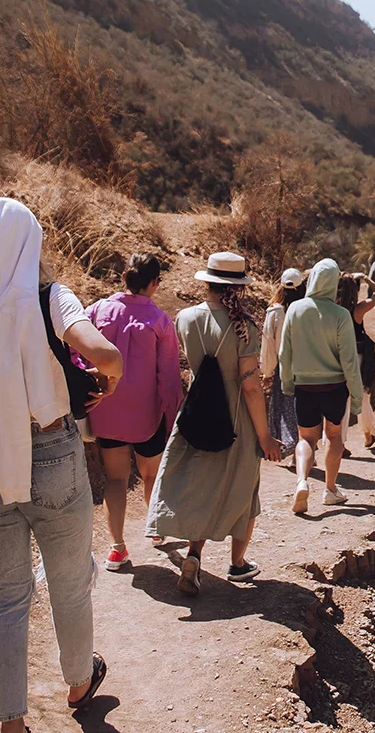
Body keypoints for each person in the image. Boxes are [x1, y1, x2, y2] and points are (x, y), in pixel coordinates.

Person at [0, 197, 123, 733]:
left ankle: (11, 723)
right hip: (50, 452)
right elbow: (105, 355)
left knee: (5, 596)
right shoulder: (48, 296)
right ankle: (78, 682)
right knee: (69, 581)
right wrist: (110, 380)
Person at [147, 251, 281, 596]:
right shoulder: (244, 327)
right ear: (238, 288)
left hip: (198, 411)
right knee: (244, 488)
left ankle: (194, 554)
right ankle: (238, 563)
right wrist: (265, 436)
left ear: (207, 283)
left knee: (201, 486)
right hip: (235, 418)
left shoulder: (185, 318)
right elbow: (250, 387)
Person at [84, 253, 182, 572]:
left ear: (125, 278)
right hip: (147, 416)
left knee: (115, 479)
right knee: (150, 475)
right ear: (154, 283)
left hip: (105, 410)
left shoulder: (97, 310)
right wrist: (172, 416)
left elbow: (74, 346)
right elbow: (168, 377)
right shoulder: (160, 321)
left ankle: (116, 549)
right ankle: (155, 529)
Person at [279, 258, 364, 514]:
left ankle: (302, 481)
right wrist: (357, 397)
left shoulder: (295, 309)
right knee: (334, 437)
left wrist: (287, 383)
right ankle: (330, 489)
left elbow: (284, 352)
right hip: (334, 388)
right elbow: (349, 361)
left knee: (306, 438)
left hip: (304, 386)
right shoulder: (341, 315)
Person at [335, 272, 375, 449]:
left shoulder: (332, 309)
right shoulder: (357, 310)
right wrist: (365, 278)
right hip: (356, 357)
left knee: (341, 398)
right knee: (360, 394)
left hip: (336, 355)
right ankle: (366, 433)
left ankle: (342, 441)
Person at [260, 267, 305, 459]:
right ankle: (304, 451)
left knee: (286, 411)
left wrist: (267, 371)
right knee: (304, 410)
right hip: (306, 366)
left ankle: (293, 449)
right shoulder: (308, 309)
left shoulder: (275, 312)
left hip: (283, 367)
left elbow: (268, 344)